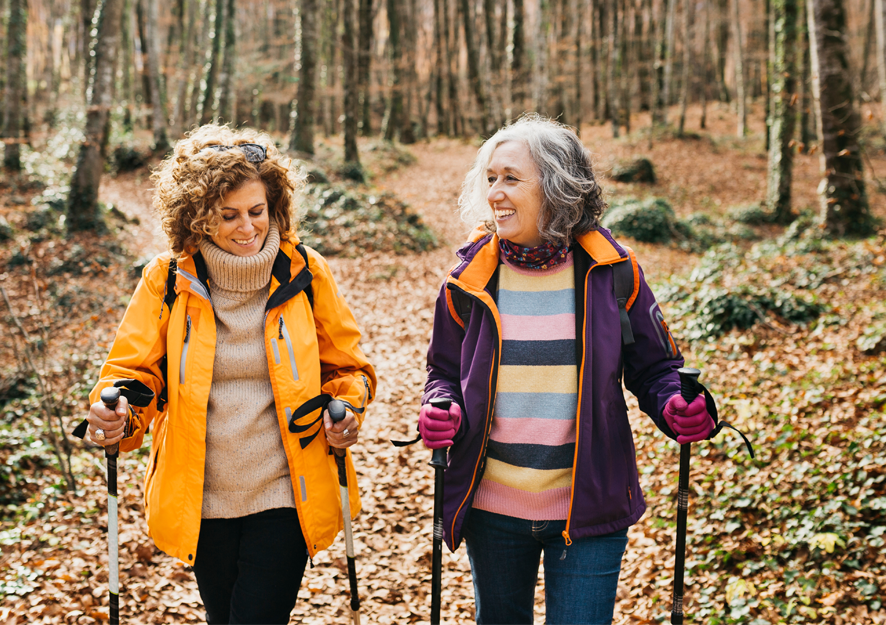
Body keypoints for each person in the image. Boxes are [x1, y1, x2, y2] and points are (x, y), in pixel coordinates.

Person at [419, 115, 716, 625]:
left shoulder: (613, 273)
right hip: (492, 507)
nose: (495, 192)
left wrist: (677, 405)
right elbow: (442, 372)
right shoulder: (469, 279)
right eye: (490, 177)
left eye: (512, 178)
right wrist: (440, 406)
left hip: (588, 508)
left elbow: (657, 367)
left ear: (557, 186)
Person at [83, 124, 377, 625]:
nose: (247, 228)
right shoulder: (167, 280)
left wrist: (346, 408)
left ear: (275, 206)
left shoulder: (305, 273)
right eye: (229, 215)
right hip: (203, 495)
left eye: (257, 212)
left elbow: (348, 367)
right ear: (198, 217)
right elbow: (135, 375)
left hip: (287, 486)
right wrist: (119, 413)